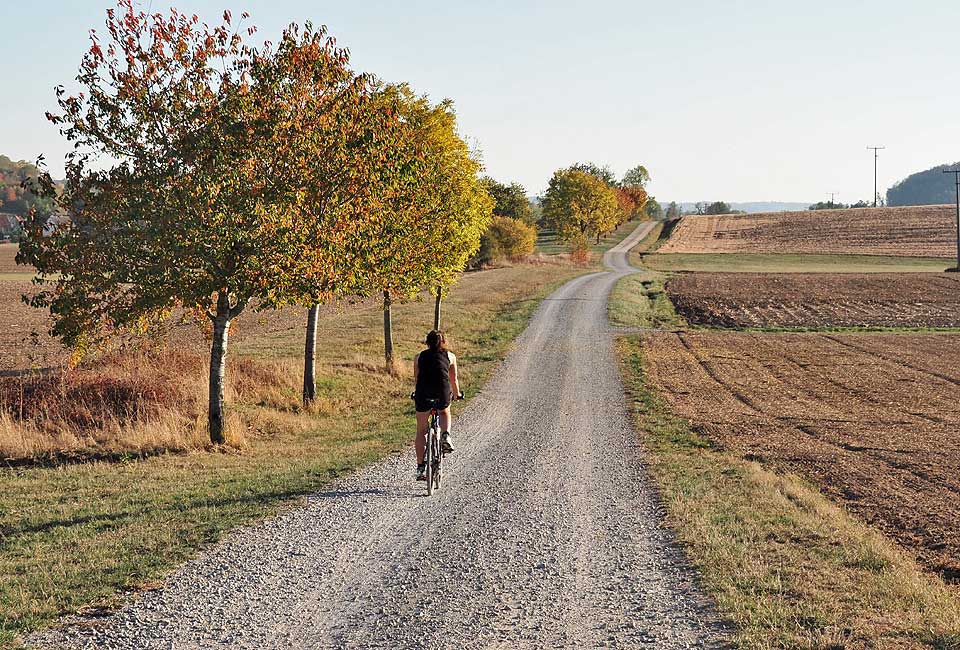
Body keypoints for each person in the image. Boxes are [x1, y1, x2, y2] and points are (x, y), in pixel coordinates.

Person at [413, 329, 461, 481]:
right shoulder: (450, 356)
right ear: (443, 342)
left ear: (426, 343)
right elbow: (453, 380)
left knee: (421, 430)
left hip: (423, 393)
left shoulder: (419, 357)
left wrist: (418, 393)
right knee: (444, 412)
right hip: (442, 391)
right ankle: (446, 435)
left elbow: (417, 378)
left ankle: (421, 467)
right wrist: (457, 394)